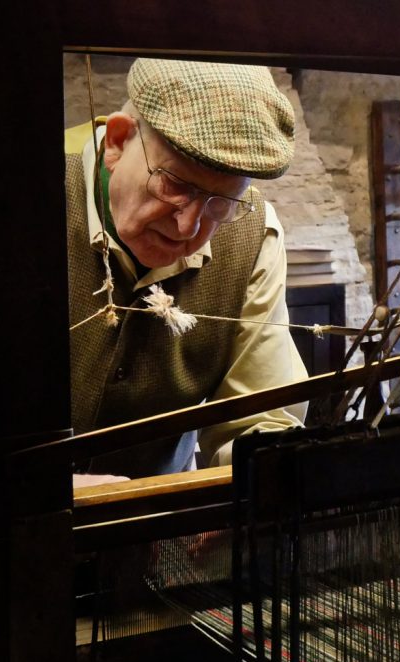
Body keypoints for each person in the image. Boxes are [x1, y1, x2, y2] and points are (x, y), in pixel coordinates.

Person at [67, 58, 306, 481]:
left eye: (222, 203)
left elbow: (261, 417)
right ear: (119, 141)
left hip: (161, 536)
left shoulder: (253, 237)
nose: (187, 227)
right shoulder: (8, 194)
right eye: (174, 185)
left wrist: (258, 480)